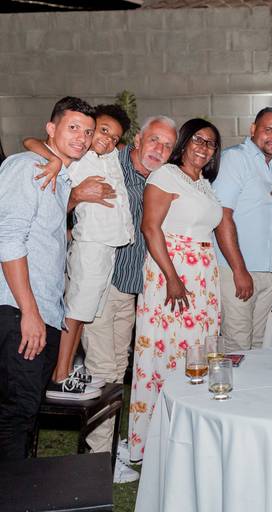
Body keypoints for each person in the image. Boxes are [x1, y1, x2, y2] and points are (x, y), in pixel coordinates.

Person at [0, 97, 95, 461]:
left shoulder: (59, 178)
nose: (82, 137)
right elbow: (9, 239)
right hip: (20, 312)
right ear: (51, 129)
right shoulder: (29, 167)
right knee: (16, 416)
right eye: (74, 127)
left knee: (24, 415)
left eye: (88, 131)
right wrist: (29, 312)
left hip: (43, 314)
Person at [82, 115, 177, 480]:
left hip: (129, 287)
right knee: (102, 370)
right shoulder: (108, 162)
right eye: (154, 140)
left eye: (167, 145)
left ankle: (107, 446)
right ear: (138, 139)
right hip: (100, 283)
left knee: (117, 370)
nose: (159, 149)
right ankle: (98, 460)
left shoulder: (159, 179)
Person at [128, 119, 223, 463]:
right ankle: (155, 445)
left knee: (197, 352)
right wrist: (172, 277)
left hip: (203, 279)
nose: (203, 147)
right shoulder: (165, 176)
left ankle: (189, 437)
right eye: (197, 139)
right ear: (184, 142)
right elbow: (150, 228)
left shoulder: (204, 185)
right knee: (166, 354)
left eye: (210, 143)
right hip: (172, 274)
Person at [23, 104, 134, 400]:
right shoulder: (78, 156)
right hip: (91, 245)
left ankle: (67, 370)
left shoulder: (109, 156)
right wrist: (53, 161)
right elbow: (30, 141)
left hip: (109, 246)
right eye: (103, 131)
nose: (107, 139)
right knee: (75, 313)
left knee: (84, 314)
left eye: (114, 137)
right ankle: (59, 376)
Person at [214, 107, 272, 352]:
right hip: (237, 270)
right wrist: (239, 270)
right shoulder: (235, 158)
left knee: (260, 346)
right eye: (268, 130)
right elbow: (222, 216)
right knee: (237, 346)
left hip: (266, 272)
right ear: (253, 129)